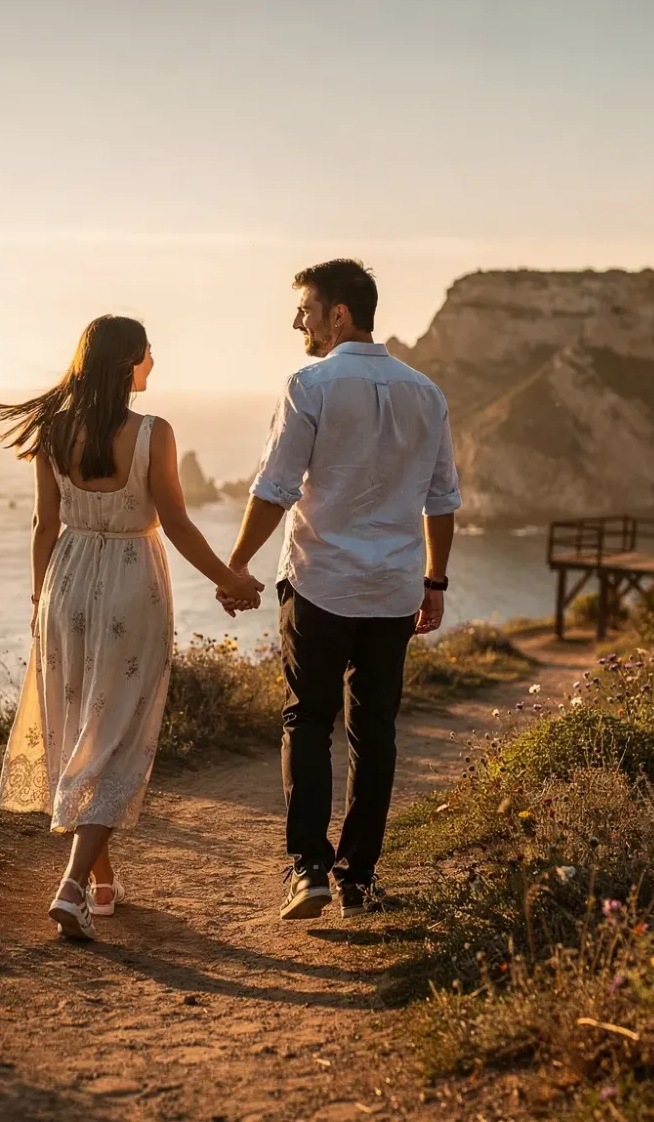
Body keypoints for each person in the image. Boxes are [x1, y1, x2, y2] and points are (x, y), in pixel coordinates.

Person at [0, 315, 265, 941]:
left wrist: (40, 602)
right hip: (129, 584)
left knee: (79, 723)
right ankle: (70, 885)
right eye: (149, 353)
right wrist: (230, 578)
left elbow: (43, 526)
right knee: (115, 732)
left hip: (64, 584)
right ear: (131, 362)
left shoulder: (53, 430)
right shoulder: (153, 432)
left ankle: (102, 882)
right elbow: (175, 522)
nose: (154, 362)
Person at [219, 260, 458, 921]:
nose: (298, 321)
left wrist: (236, 565)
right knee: (375, 732)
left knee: (308, 719)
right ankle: (358, 878)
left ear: (338, 316)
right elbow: (442, 499)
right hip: (392, 590)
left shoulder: (310, 384)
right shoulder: (427, 392)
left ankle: (309, 870)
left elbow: (276, 487)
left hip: (321, 582)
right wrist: (434, 580)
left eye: (306, 309)